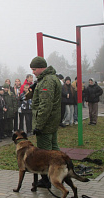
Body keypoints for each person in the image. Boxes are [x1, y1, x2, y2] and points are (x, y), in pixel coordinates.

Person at [30, 56, 62, 188]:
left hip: (46, 123)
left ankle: (47, 180)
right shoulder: (52, 78)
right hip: (53, 122)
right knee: (54, 149)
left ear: (41, 68)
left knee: (44, 153)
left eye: (34, 69)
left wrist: (39, 125)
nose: (33, 72)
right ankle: (60, 174)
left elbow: (45, 105)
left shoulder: (47, 82)